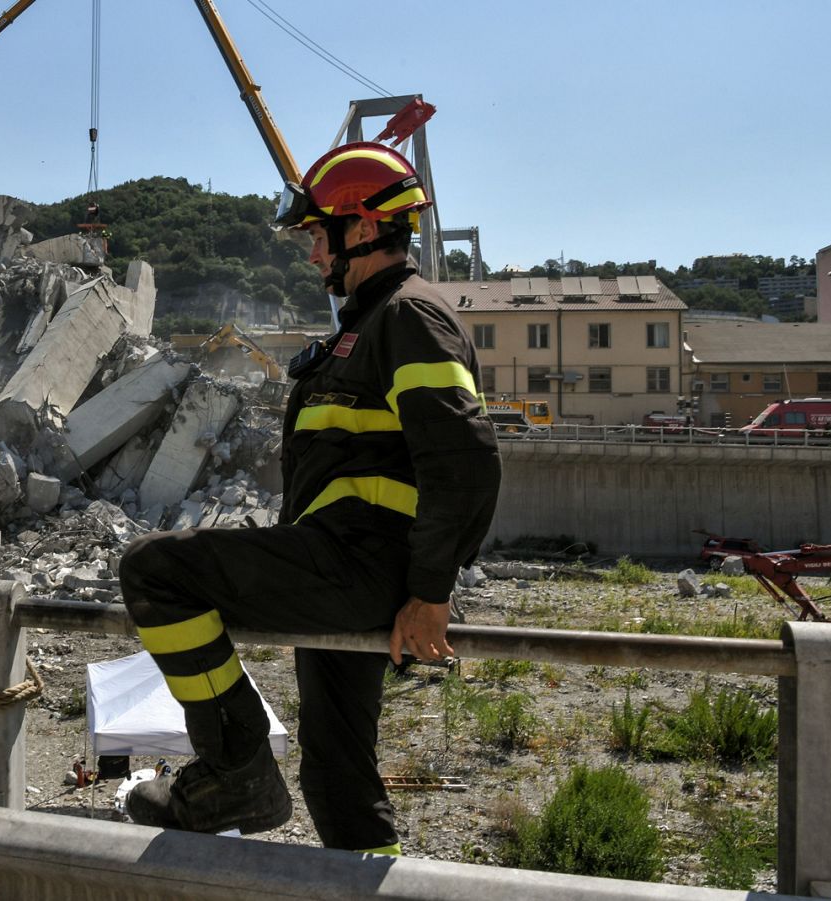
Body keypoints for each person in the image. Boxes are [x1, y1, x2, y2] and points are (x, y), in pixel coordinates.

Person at [118, 142, 502, 853]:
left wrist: (429, 592)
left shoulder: (409, 316)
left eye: (316, 235)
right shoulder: (363, 326)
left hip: (361, 565)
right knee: (335, 772)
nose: (309, 253)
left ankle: (234, 769)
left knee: (154, 569)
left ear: (361, 228)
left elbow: (466, 460)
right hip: (346, 567)